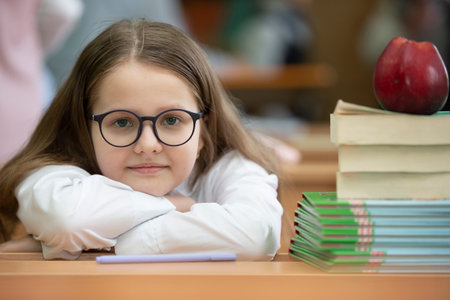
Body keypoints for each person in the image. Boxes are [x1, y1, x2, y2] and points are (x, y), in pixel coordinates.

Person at [0, 19, 283, 260]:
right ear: (86, 129)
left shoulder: (228, 166)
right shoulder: (54, 175)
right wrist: (178, 206)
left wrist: (93, 245)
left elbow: (260, 234)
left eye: (172, 120)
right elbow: (67, 220)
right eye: (122, 122)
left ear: (202, 133)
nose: (148, 144)